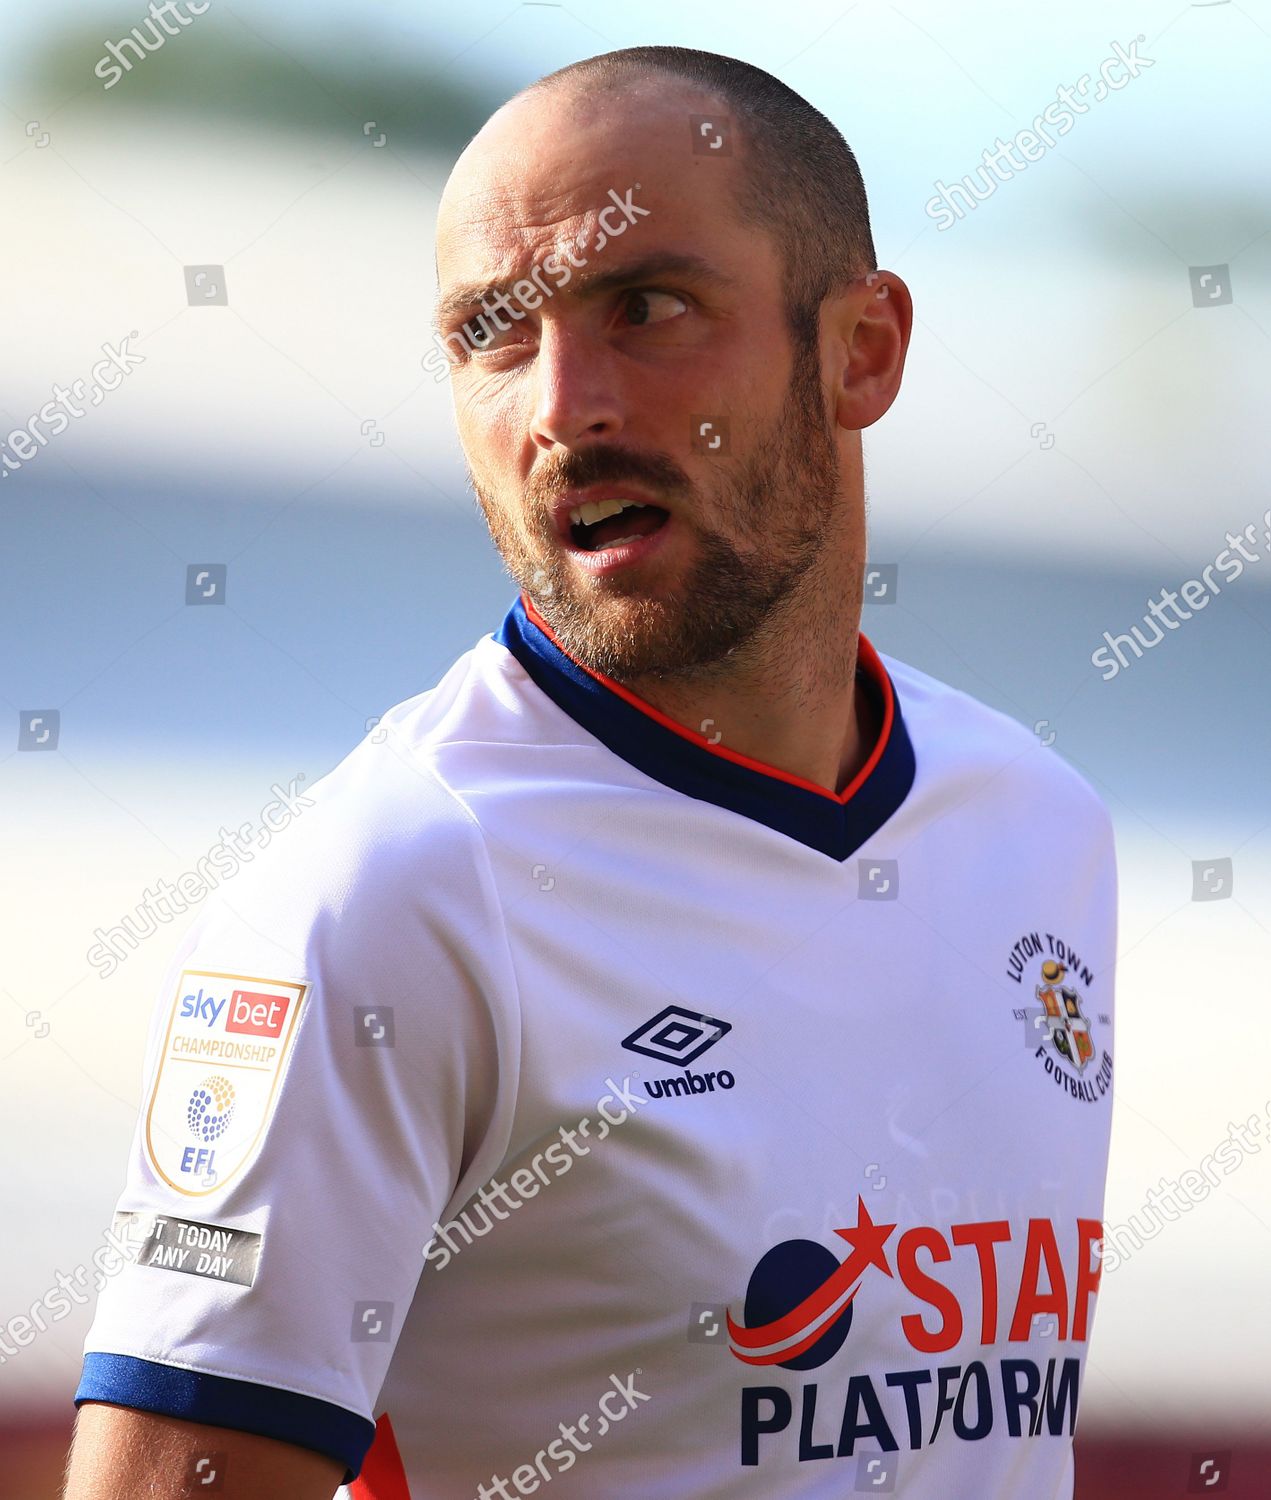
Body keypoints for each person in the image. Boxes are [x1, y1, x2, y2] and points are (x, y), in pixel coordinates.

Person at [65, 45, 1117, 1500]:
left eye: (649, 307)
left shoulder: (1039, 829)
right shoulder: (382, 896)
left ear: (861, 348)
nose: (567, 404)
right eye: (494, 332)